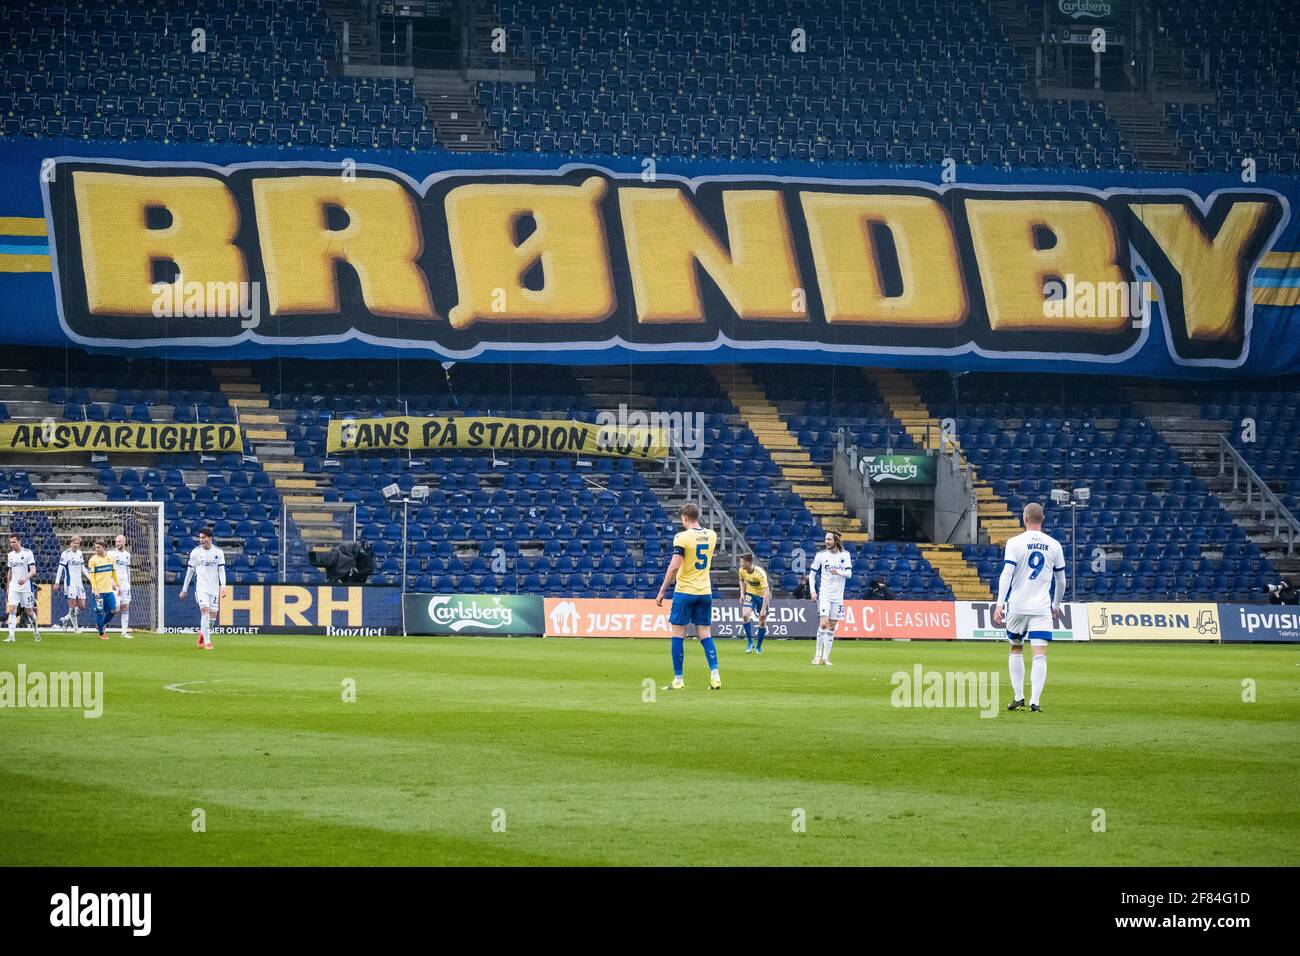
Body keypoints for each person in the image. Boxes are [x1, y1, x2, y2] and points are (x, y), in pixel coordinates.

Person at [994, 503, 1066, 713]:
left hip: (1017, 605)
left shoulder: (1015, 542)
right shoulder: (1054, 545)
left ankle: (1018, 697)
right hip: (1041, 607)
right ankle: (1035, 701)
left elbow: (1006, 573)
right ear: (1042, 519)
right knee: (1039, 653)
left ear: (1024, 519)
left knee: (1016, 648)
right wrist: (1056, 605)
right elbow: (1061, 581)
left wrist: (1000, 603)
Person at [655, 503, 721, 690]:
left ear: (684, 518)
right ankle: (715, 675)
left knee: (678, 634)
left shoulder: (682, 537)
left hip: (685, 591)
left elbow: (675, 566)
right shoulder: (712, 535)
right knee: (705, 633)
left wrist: (662, 591)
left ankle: (678, 679)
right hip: (704, 592)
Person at [179, 527, 227, 650]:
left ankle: (202, 634)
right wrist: (184, 589)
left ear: (210, 538)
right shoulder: (196, 552)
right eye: (200, 538)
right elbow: (190, 572)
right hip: (201, 588)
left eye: (203, 537)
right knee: (204, 610)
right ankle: (207, 642)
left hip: (214, 588)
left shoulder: (218, 552)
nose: (201, 540)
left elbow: (221, 570)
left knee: (213, 616)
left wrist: (223, 586)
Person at [809, 531, 852, 666]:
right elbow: (811, 575)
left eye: (829, 539)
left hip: (838, 597)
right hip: (825, 595)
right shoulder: (821, 555)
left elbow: (849, 574)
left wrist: (837, 571)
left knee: (832, 627)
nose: (826, 542)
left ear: (836, 540)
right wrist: (813, 592)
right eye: (825, 539)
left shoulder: (845, 555)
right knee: (823, 624)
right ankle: (817, 655)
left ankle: (825, 658)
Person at [5, 533, 40, 643]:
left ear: (19, 541)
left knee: (29, 611)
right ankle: (11, 635)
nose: (12, 544)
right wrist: (8, 586)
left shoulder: (27, 553)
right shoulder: (10, 555)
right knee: (12, 609)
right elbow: (10, 571)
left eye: (14, 542)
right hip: (14, 586)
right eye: (10, 542)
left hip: (25, 586)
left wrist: (25, 579)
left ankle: (35, 630)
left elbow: (33, 570)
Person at [85, 538, 119, 641]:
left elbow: (113, 573)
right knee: (99, 611)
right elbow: (92, 576)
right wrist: (95, 589)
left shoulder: (111, 558)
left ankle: (100, 624)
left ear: (104, 547)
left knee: (114, 610)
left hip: (108, 591)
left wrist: (117, 584)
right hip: (98, 592)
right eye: (95, 547)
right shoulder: (92, 560)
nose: (96, 549)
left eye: (98, 547)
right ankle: (101, 633)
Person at [737, 553, 770, 654]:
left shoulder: (760, 573)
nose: (740, 564)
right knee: (745, 615)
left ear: (748, 562)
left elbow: (766, 592)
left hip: (761, 596)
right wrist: (742, 594)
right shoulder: (742, 570)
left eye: (741, 562)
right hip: (750, 594)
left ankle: (759, 647)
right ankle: (750, 642)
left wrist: (764, 609)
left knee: (762, 621)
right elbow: (741, 581)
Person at [55, 534, 88, 633]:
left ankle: (65, 619)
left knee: (82, 606)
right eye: (74, 543)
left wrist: (90, 578)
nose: (76, 545)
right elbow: (60, 568)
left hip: (79, 583)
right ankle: (76, 629)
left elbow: (82, 567)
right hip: (70, 583)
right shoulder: (66, 554)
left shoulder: (79, 553)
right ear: (70, 543)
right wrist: (57, 582)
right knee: (72, 606)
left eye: (78, 543)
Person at [107, 533, 134, 638]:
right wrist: (112, 582)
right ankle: (102, 622)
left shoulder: (127, 555)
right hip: (115, 583)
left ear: (124, 542)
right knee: (115, 609)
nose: (117, 543)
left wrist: (129, 583)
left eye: (119, 541)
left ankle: (124, 632)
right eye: (116, 541)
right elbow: (108, 570)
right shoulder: (111, 554)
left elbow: (128, 570)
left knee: (125, 607)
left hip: (125, 584)